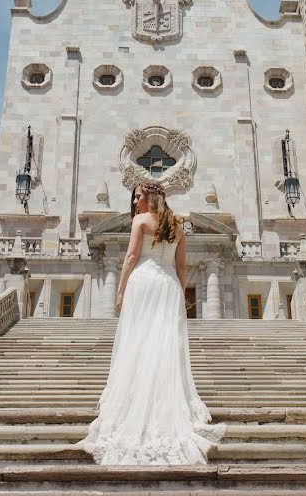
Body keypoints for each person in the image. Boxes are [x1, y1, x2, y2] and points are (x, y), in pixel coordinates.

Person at [78, 180, 224, 465]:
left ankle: (135, 401)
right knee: (164, 344)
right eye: (134, 198)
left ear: (149, 198)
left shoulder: (141, 221)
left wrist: (120, 290)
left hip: (143, 281)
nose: (134, 202)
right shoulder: (178, 228)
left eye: (138, 197)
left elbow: (131, 256)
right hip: (168, 285)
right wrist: (180, 295)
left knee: (138, 339)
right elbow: (181, 267)